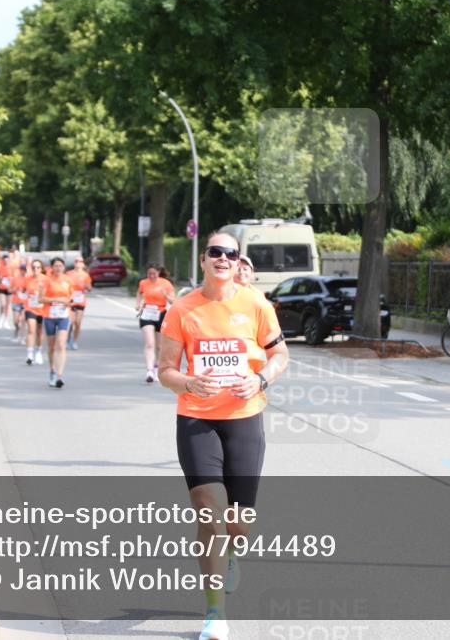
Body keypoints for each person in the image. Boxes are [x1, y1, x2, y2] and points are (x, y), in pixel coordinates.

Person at [157, 232, 289, 640]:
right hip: (197, 418)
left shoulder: (255, 304)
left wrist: (262, 379)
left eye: (230, 254)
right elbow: (164, 369)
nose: (223, 258)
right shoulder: (182, 309)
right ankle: (215, 614)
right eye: (215, 251)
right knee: (209, 514)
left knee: (239, 523)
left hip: (245, 418)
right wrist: (187, 382)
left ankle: (232, 554)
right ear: (203, 259)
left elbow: (280, 355)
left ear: (237, 263)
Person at [135, 263, 176, 383]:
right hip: (147, 313)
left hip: (161, 314)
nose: (151, 276)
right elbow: (139, 293)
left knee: (159, 346)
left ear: (158, 273)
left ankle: (157, 366)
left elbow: (174, 301)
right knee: (149, 343)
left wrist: (166, 295)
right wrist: (138, 304)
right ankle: (149, 370)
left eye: (154, 273)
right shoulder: (143, 283)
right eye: (149, 274)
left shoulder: (166, 284)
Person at [40, 257, 73, 388]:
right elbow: (40, 299)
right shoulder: (46, 281)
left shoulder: (68, 280)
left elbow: (71, 298)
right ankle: (52, 371)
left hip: (63, 315)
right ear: (52, 267)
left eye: (60, 266)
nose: (58, 268)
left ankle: (60, 375)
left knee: (61, 344)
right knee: (52, 346)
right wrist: (57, 299)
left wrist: (68, 302)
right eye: (56, 266)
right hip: (49, 315)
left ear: (64, 267)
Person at [65, 256, 93, 350]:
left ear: (83, 264)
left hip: (80, 301)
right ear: (74, 263)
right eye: (76, 261)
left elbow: (90, 288)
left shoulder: (85, 275)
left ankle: (74, 341)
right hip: (71, 301)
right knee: (70, 322)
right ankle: (68, 339)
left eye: (80, 261)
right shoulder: (69, 274)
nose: (78, 263)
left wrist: (86, 286)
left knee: (78, 323)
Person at [24, 259, 47, 365]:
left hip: (42, 309)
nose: (35, 269)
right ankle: (29, 354)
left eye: (38, 267)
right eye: (33, 267)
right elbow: (23, 291)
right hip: (31, 308)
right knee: (31, 330)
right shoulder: (28, 279)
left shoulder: (46, 280)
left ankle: (38, 351)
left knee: (39, 331)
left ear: (41, 269)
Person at [0, 252, 13, 329]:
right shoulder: (0, 268)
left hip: (9, 289)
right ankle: (1, 318)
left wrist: (10, 280)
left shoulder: (12, 268)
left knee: (8, 305)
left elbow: (14, 278)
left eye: (7, 260)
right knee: (3, 304)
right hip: (1, 288)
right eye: (4, 260)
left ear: (9, 260)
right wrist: (1, 278)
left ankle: (6, 320)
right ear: (2, 260)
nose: (6, 261)